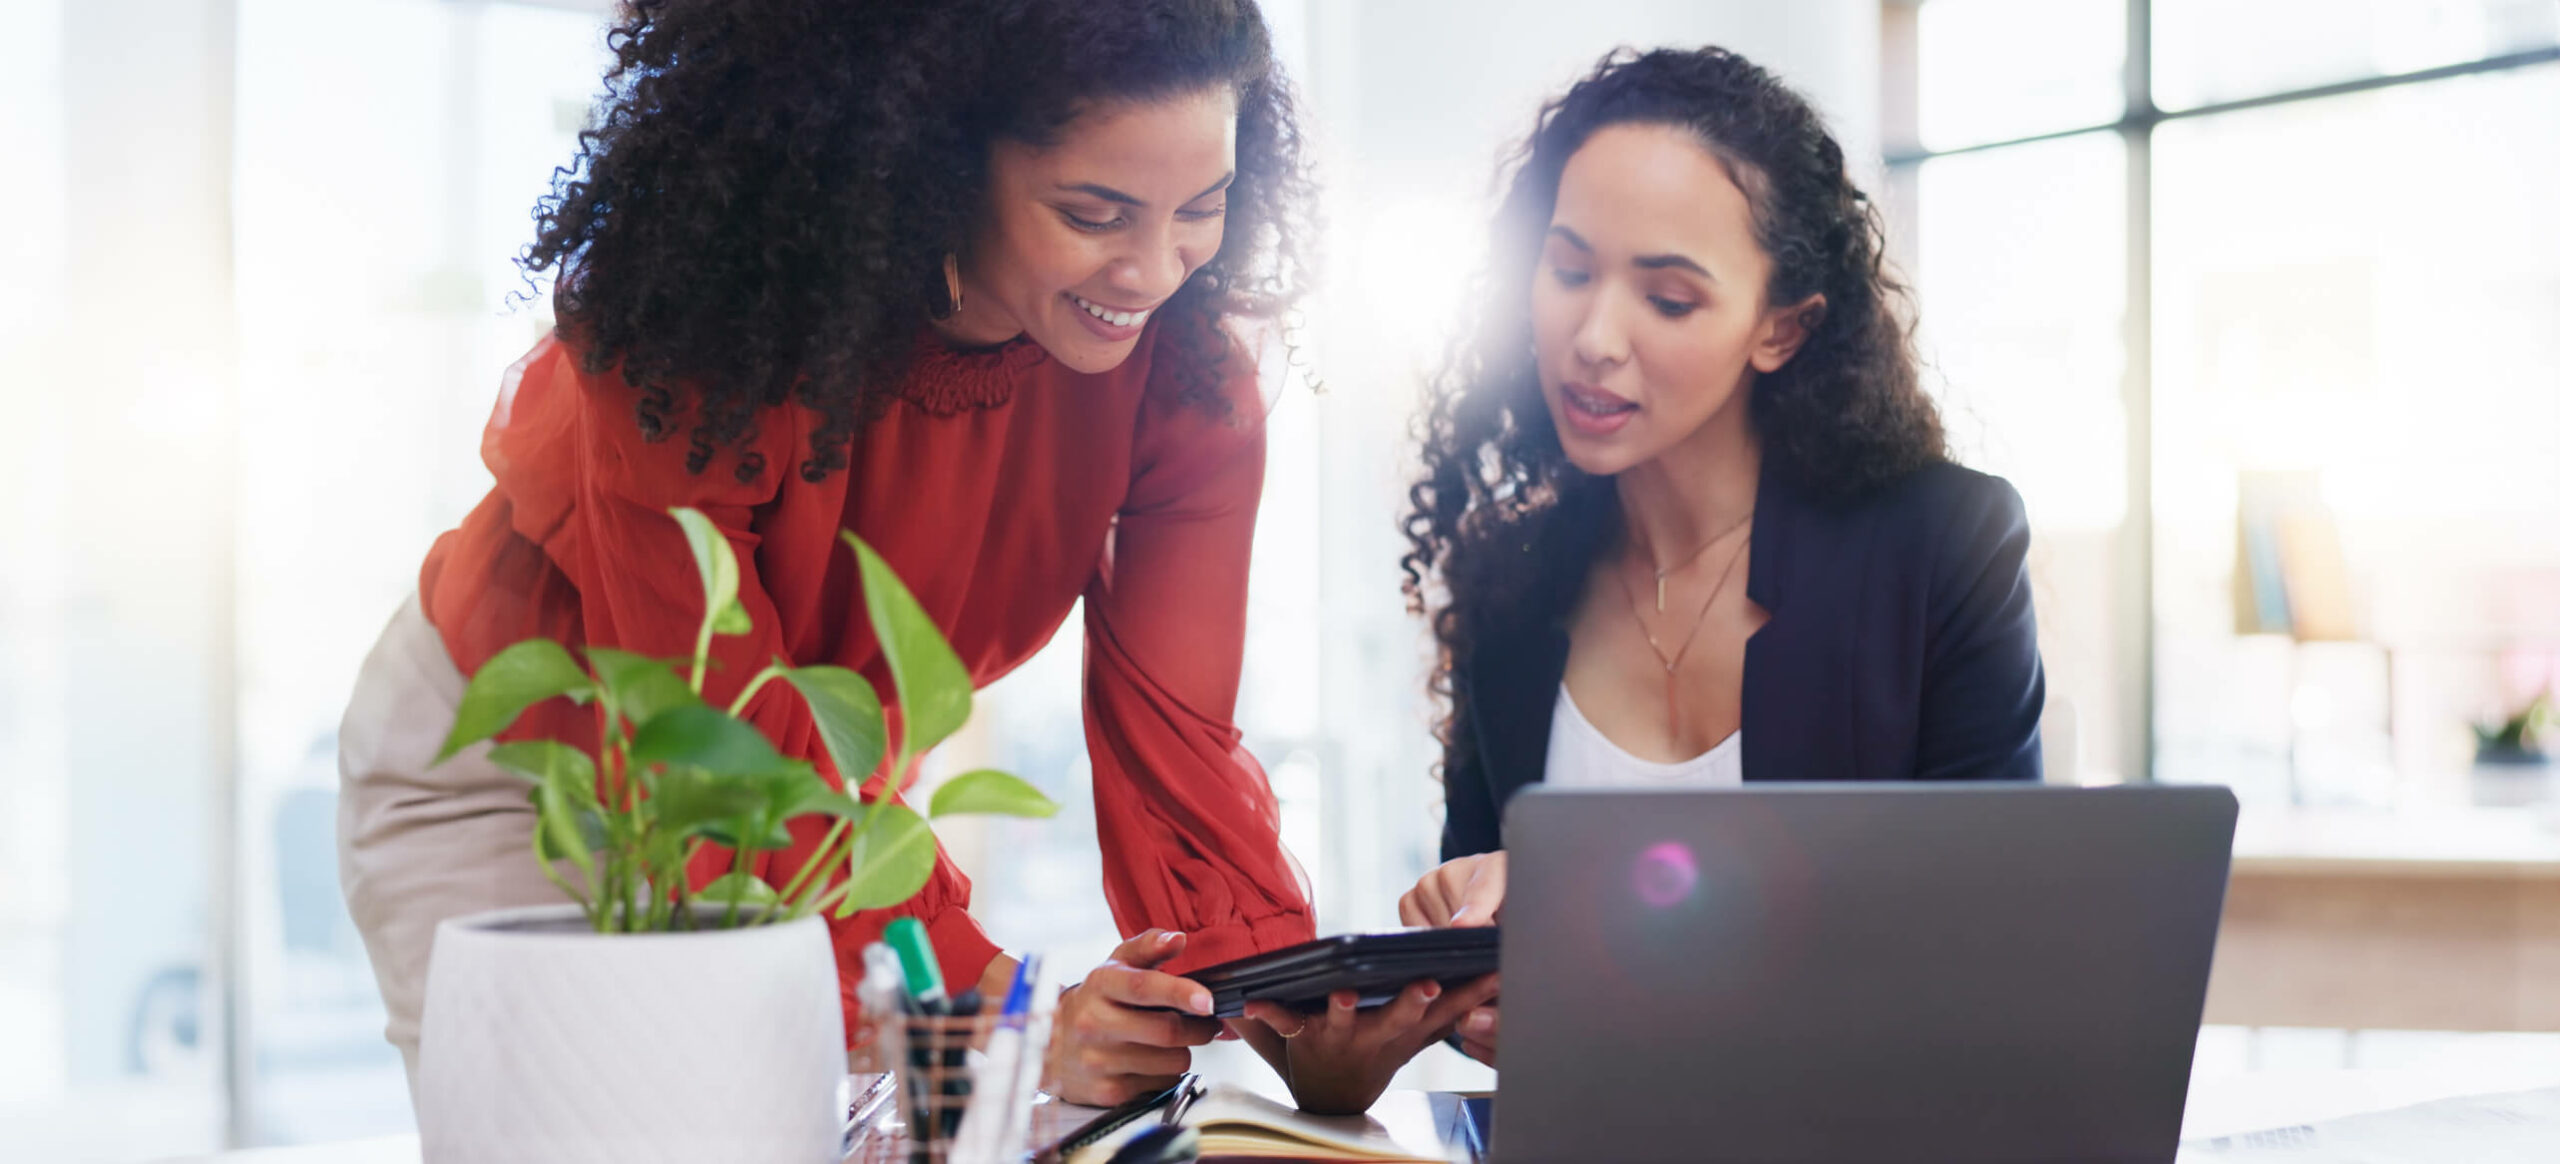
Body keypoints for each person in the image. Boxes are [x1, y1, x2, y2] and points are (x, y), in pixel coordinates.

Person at [336, 0, 1320, 1107]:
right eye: (1095, 213)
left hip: (797, 817)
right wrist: (1003, 1017)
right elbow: (719, 745)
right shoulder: (707, 330)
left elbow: (1176, 738)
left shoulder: (1185, 373)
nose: (1154, 270)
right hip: (525, 780)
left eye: (1204, 208)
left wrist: (1285, 997)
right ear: (937, 161)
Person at [1247, 45, 2048, 1111]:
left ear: (1781, 327)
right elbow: (1486, 980)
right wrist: (1400, 1029)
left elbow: (1990, 959)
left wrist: (1619, 992)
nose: (1592, 337)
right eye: (1569, 270)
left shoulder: (1941, 544)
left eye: (1667, 298)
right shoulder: (1509, 585)